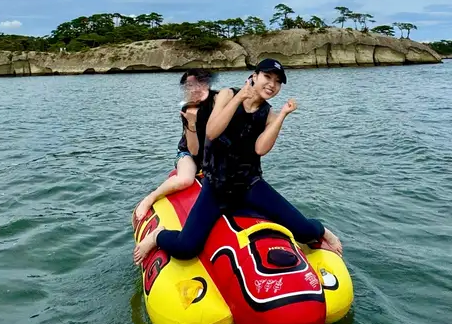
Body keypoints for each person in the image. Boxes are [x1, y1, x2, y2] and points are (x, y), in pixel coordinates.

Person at [134, 58, 342, 264]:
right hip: (216, 187)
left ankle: (323, 229)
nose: (271, 84)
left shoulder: (269, 114)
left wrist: (282, 116)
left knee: (305, 232)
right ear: (253, 76)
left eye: (277, 81)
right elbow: (212, 132)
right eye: (267, 77)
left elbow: (260, 149)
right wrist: (240, 96)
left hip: (250, 185)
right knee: (185, 248)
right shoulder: (227, 94)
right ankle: (157, 236)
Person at [132, 69, 217, 225]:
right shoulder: (187, 110)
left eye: (199, 83)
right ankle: (150, 198)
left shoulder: (219, 101)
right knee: (185, 180)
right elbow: (194, 151)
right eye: (189, 85)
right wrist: (191, 123)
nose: (195, 89)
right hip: (189, 154)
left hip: (214, 153)